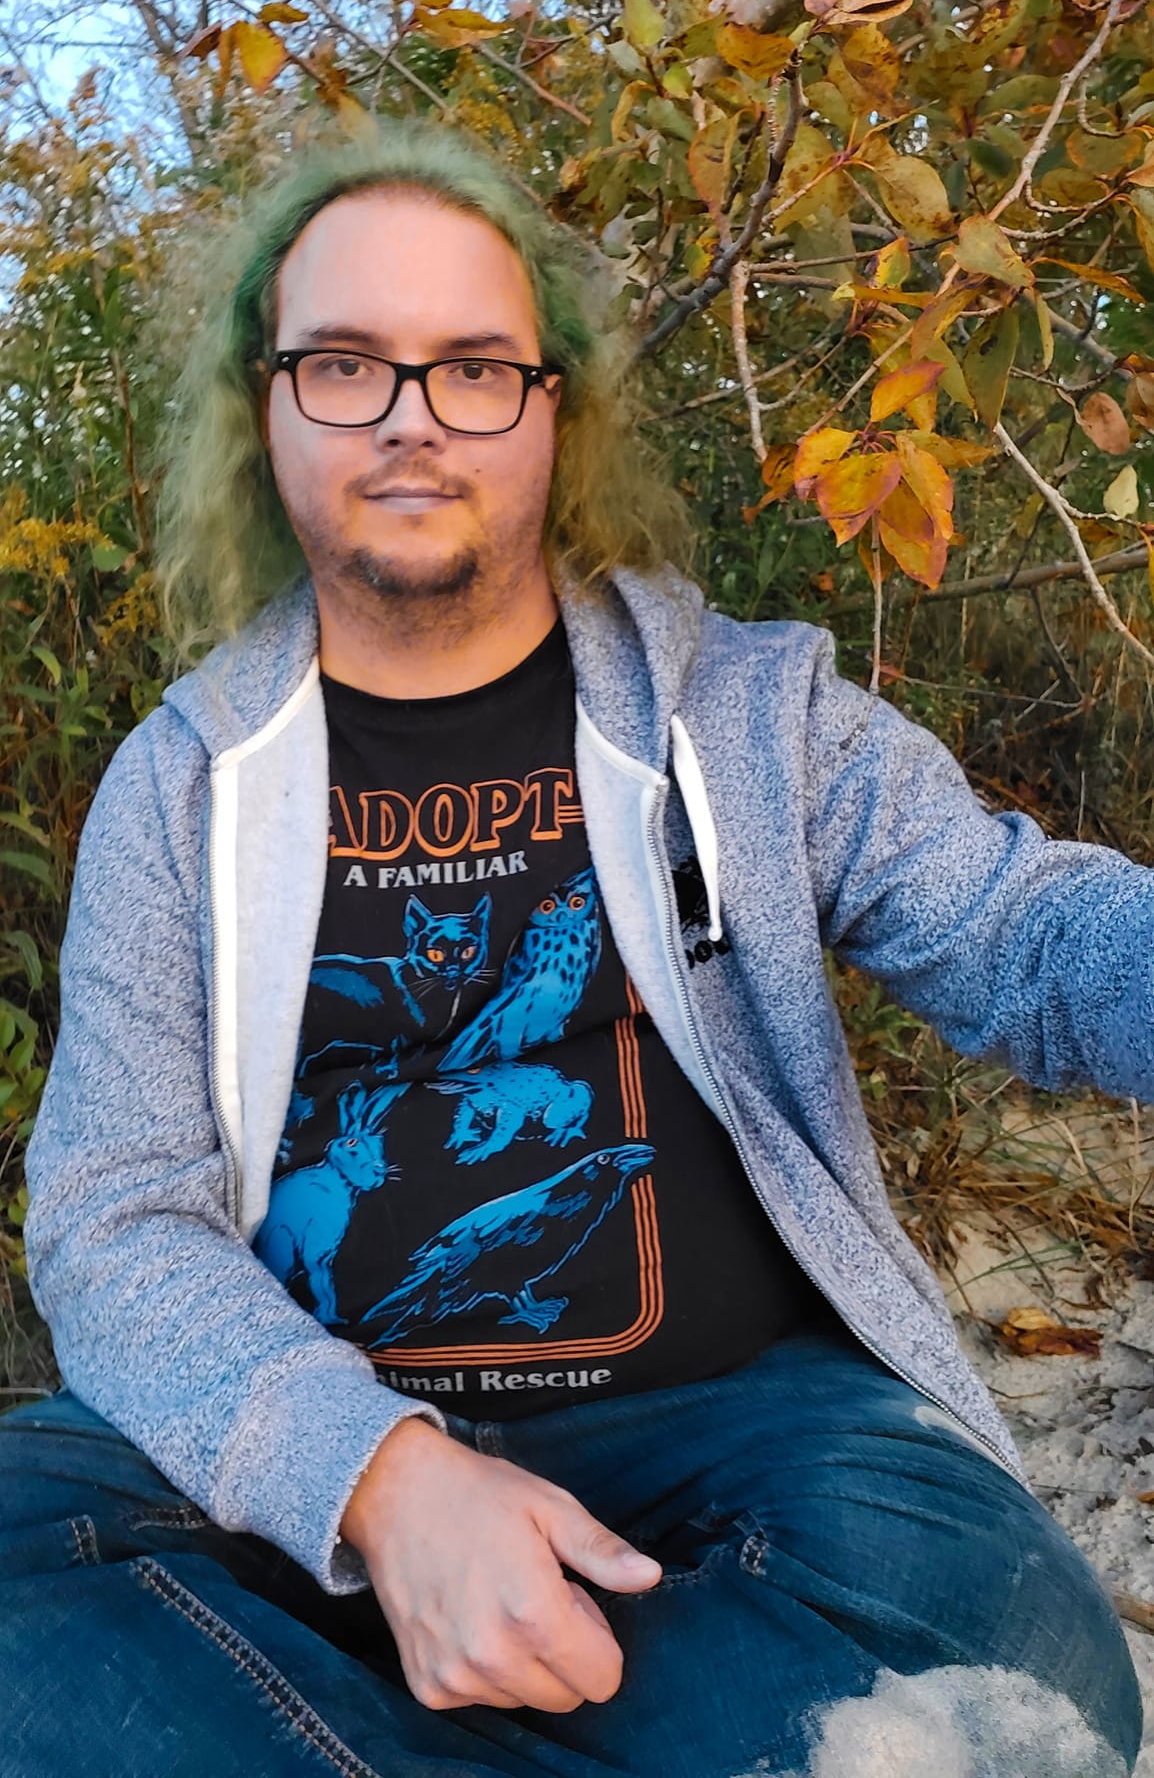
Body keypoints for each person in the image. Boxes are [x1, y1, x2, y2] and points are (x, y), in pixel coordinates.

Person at [1, 117, 1147, 1778]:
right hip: (298, 1439)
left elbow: (1017, 928)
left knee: (1007, 1631)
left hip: (741, 1430)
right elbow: (112, 1220)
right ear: (265, 409)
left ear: (556, 407)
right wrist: (379, 1479)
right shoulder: (182, 787)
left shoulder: (747, 720)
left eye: (473, 365)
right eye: (344, 366)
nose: (409, 419)